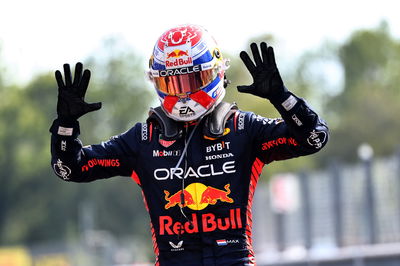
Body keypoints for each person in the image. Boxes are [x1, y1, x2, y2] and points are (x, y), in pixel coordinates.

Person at [50, 24, 328, 266]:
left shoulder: (243, 128)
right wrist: (65, 125)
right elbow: (71, 168)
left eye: (192, 79)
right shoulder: (143, 139)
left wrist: (282, 97)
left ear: (215, 73)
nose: (183, 93)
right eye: (172, 83)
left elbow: (313, 137)